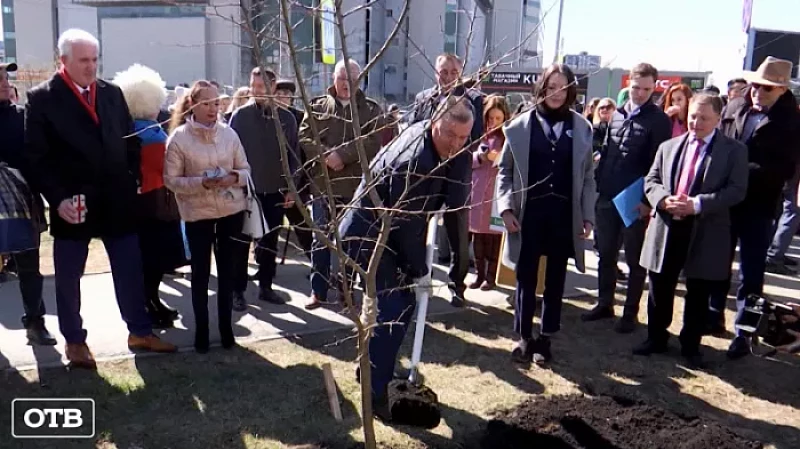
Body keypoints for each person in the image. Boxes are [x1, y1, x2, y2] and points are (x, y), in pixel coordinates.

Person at [24, 29, 176, 369]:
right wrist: (59, 199)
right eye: (84, 61)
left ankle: (140, 331)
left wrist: (133, 176)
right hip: (72, 203)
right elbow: (37, 158)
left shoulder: (112, 93)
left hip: (117, 200)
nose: (91, 67)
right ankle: (75, 342)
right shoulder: (42, 98)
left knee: (130, 269)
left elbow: (129, 139)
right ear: (63, 61)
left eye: (95, 59)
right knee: (68, 278)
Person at [339, 96, 474, 421]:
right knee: (394, 309)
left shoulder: (438, 144)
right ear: (434, 124)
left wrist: (458, 266)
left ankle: (370, 368)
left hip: (392, 231)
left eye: (463, 138)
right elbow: (405, 225)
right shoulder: (415, 163)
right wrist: (420, 270)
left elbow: (455, 209)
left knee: (406, 304)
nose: (455, 144)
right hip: (369, 232)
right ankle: (373, 394)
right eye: (449, 135)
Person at [635, 94, 748, 368]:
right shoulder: (669, 146)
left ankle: (690, 344)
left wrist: (697, 205)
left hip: (706, 228)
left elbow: (736, 190)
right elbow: (651, 180)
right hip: (667, 226)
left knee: (698, 289)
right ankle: (656, 337)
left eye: (704, 118)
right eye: (693, 116)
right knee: (660, 284)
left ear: (718, 120)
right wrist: (663, 199)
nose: (696, 123)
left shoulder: (734, 151)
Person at [496, 64, 596, 364]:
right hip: (530, 214)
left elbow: (589, 177)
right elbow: (504, 171)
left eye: (562, 87)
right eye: (551, 86)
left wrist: (587, 216)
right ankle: (524, 337)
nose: (556, 93)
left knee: (555, 277)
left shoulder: (582, 128)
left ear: (570, 90)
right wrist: (505, 207)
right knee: (526, 276)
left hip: (564, 214)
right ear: (542, 87)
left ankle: (545, 338)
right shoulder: (519, 127)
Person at [711, 57, 800, 358]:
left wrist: (739, 173)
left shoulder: (791, 122)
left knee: (750, 274)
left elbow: (784, 170)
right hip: (724, 201)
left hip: (759, 206)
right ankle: (713, 316)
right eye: (756, 86)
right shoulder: (735, 106)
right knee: (717, 263)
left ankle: (744, 332)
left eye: (767, 89)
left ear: (782, 89)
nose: (758, 93)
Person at [582, 63, 672, 333]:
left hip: (635, 200)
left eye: (647, 88)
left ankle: (630, 313)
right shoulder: (617, 115)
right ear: (628, 85)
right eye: (636, 87)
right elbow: (608, 152)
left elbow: (660, 165)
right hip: (608, 196)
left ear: (654, 87)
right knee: (605, 253)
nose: (641, 93)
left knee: (634, 260)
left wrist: (647, 202)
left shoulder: (659, 121)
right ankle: (604, 303)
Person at [164, 80, 251, 353]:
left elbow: (246, 170)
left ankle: (226, 332)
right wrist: (201, 183)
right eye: (207, 103)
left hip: (230, 212)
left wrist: (233, 177)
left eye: (217, 103)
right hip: (197, 215)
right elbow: (171, 180)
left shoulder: (230, 135)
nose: (214, 108)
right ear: (193, 105)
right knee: (200, 275)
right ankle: (202, 333)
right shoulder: (178, 138)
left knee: (227, 273)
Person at [299, 59, 383, 310]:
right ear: (334, 78)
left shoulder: (369, 109)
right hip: (324, 186)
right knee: (321, 239)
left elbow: (371, 142)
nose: (348, 84)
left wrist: (342, 156)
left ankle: (345, 291)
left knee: (352, 240)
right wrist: (326, 156)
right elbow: (304, 135)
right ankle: (318, 290)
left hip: (354, 188)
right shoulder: (317, 106)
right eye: (343, 78)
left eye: (353, 79)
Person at [113, 64, 185, 329]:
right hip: (155, 205)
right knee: (154, 261)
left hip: (142, 204)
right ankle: (149, 304)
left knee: (149, 261)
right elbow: (163, 168)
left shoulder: (131, 129)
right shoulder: (151, 133)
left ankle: (152, 301)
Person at [409, 53, 484, 307]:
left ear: (460, 73)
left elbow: (475, 137)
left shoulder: (474, 99)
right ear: (436, 72)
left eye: (454, 72)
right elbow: (413, 131)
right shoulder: (423, 98)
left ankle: (457, 285)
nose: (449, 76)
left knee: (458, 235)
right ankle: (420, 277)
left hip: (456, 176)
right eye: (444, 71)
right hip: (426, 176)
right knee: (417, 228)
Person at [229, 67, 299, 307]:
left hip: (275, 190)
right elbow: (230, 154)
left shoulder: (287, 119)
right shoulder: (239, 116)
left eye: (261, 87)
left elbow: (293, 156)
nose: (256, 91)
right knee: (240, 243)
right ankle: (237, 291)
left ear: (272, 88)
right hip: (245, 191)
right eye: (253, 86)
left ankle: (266, 287)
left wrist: (292, 187)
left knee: (270, 242)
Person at [0, 62, 56, 346]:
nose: (3, 80)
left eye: (3, 75)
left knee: (29, 269)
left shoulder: (24, 117)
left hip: (23, 204)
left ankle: (35, 323)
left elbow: (41, 158)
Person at [469, 95, 509, 291]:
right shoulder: (477, 135)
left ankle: (491, 276)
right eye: (490, 118)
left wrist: (499, 158)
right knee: (478, 236)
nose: (493, 122)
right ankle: (479, 274)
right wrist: (480, 157)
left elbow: (512, 164)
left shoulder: (508, 138)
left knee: (494, 236)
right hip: (477, 192)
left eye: (497, 119)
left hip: (496, 194)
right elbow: (466, 159)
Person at [274, 78, 313, 261]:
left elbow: (304, 152)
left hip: (298, 182)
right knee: (268, 228)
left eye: (286, 96)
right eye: (278, 95)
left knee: (303, 226)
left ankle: (316, 265)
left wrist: (297, 183)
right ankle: (265, 265)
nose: (282, 99)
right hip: (272, 181)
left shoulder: (300, 118)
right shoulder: (267, 116)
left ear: (292, 98)